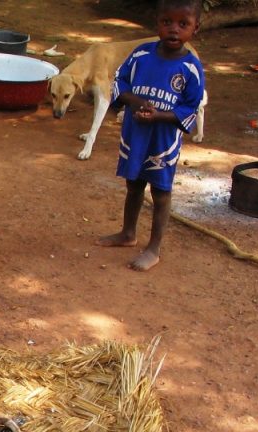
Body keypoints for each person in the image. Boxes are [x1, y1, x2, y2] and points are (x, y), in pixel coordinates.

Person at [97, 0, 205, 271]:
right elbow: (120, 82)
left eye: (183, 24)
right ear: (157, 23)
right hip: (135, 134)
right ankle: (128, 234)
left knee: (160, 191)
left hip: (163, 141)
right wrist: (135, 102)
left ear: (196, 28)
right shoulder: (141, 55)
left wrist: (159, 116)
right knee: (133, 184)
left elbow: (190, 107)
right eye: (167, 22)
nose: (173, 30)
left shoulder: (191, 68)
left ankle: (154, 249)